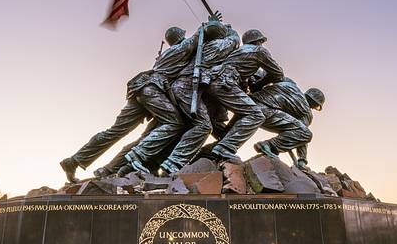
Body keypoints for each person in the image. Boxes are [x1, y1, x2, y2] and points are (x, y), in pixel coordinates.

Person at [59, 26, 197, 182]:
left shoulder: (169, 54)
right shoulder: (181, 48)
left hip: (140, 89)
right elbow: (200, 35)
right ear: (180, 37)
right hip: (153, 91)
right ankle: (135, 156)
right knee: (174, 123)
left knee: (115, 131)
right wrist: (212, 24)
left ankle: (74, 161)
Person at [159, 19, 240, 173]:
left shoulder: (199, 48)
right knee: (203, 126)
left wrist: (212, 26)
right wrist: (229, 29)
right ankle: (173, 163)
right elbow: (235, 40)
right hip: (188, 88)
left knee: (206, 126)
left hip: (182, 88)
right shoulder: (218, 46)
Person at [206, 29, 285, 160]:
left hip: (211, 82)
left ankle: (206, 153)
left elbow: (243, 78)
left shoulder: (238, 52)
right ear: (258, 41)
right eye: (261, 41)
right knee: (256, 115)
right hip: (225, 83)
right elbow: (278, 74)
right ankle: (224, 148)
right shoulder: (259, 51)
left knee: (208, 123)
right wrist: (260, 84)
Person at [250, 77, 325, 169]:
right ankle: (269, 145)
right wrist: (302, 160)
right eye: (316, 106)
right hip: (266, 112)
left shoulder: (291, 85)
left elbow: (270, 76)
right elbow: (301, 134)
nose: (314, 108)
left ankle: (272, 147)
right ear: (314, 103)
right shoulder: (307, 113)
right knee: (306, 134)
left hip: (250, 102)